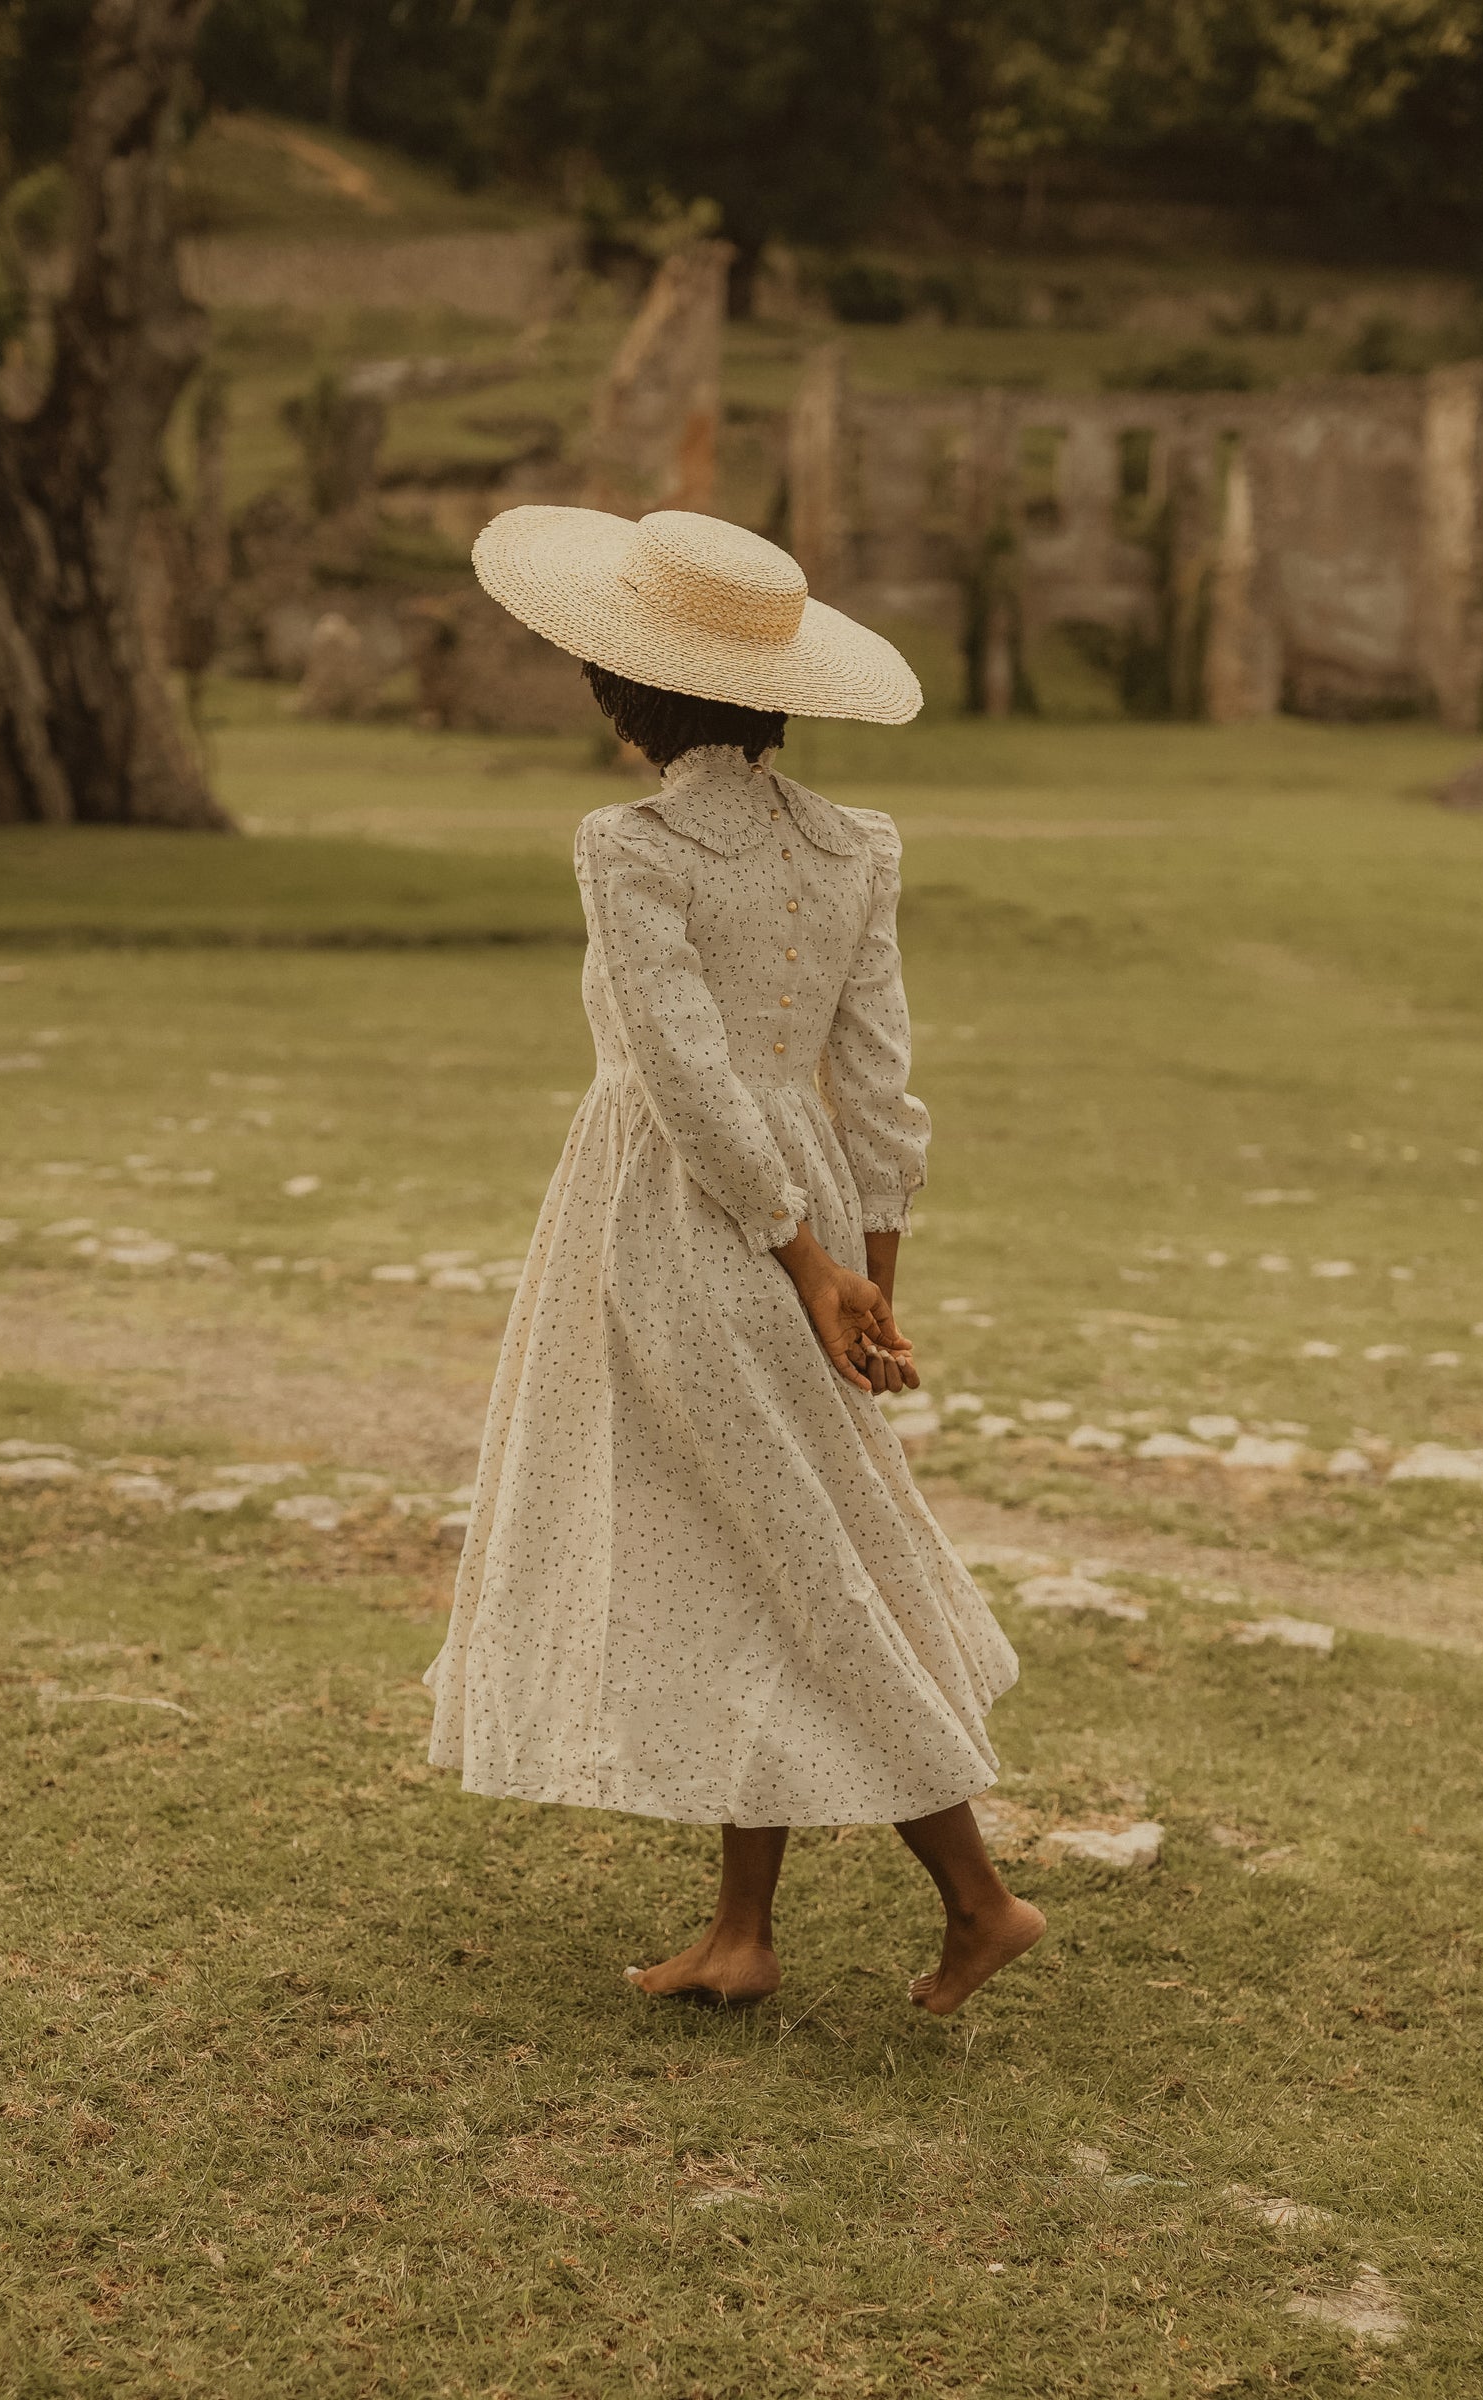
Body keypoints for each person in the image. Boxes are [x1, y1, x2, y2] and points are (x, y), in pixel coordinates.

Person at [424, 506, 1042, 2014]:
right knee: (749, 1536)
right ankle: (741, 1932)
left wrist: (807, 1264)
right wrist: (870, 1270)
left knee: (797, 1548)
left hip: (686, 1217)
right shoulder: (851, 844)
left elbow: (683, 1077)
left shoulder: (630, 848)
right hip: (809, 1208)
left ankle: (980, 1897)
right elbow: (879, 1084)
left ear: (624, 690)